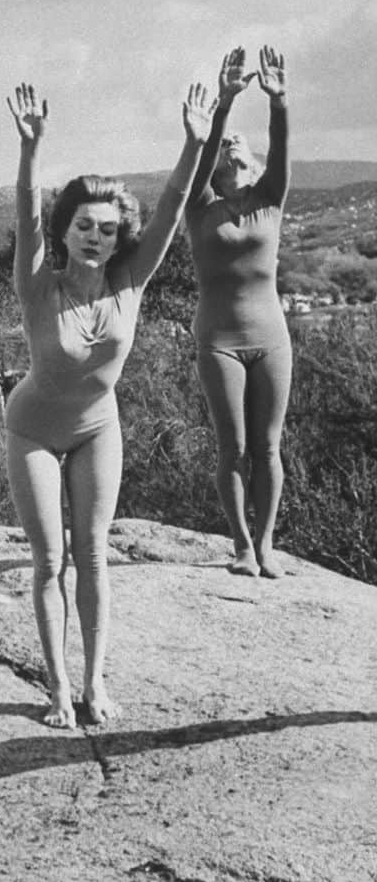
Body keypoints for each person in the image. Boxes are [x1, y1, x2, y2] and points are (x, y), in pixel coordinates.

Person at [4, 79, 217, 730]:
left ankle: (95, 684)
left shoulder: (131, 277)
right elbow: (23, 210)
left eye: (107, 227)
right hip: (35, 430)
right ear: (64, 232)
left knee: (93, 556)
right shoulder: (39, 283)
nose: (96, 236)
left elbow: (174, 205)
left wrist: (192, 142)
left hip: (98, 428)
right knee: (49, 561)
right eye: (83, 226)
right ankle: (58, 691)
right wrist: (31, 148)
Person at [186, 46, 291, 579]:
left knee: (269, 446)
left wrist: (278, 102)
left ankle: (268, 543)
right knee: (235, 447)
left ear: (249, 159)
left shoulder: (270, 197)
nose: (232, 148)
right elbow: (201, 162)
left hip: (271, 337)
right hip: (220, 339)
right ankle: (242, 546)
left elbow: (283, 150)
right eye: (225, 145)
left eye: (238, 144)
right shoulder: (200, 205)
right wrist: (224, 104)